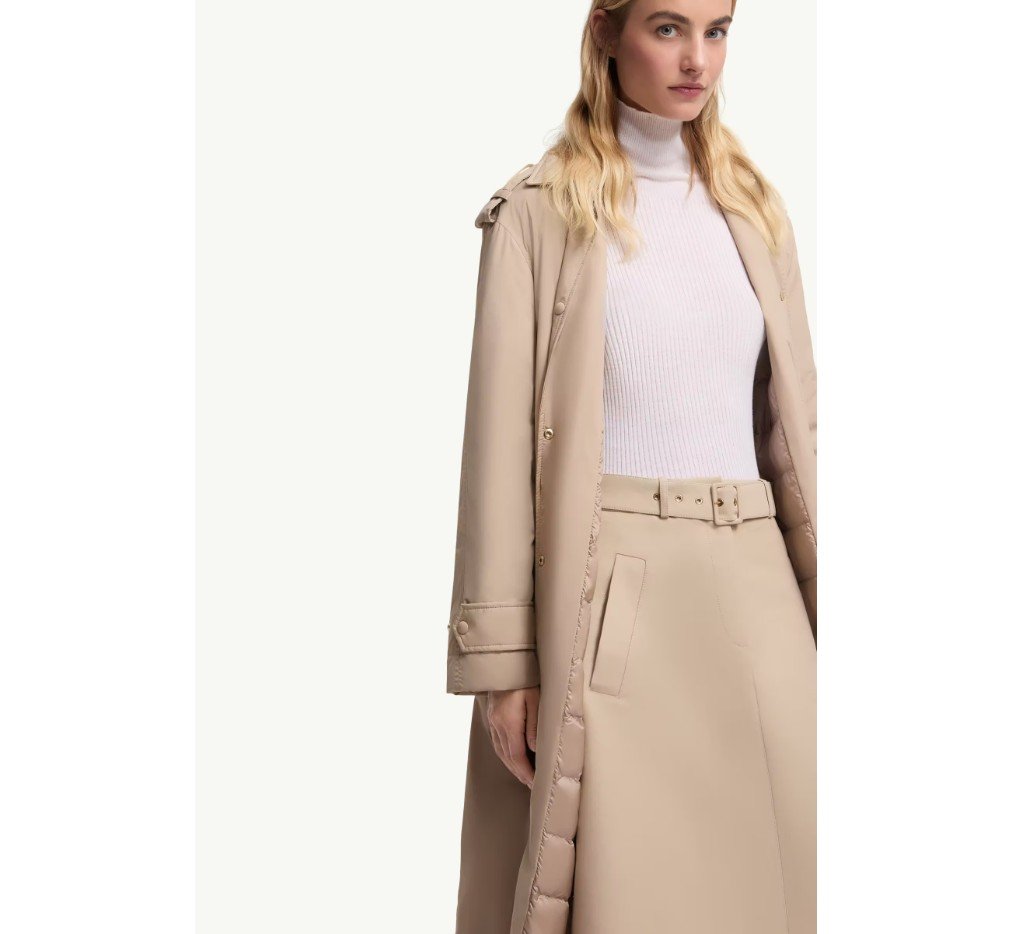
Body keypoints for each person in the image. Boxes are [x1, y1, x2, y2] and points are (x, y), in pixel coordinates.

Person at [445, 1, 816, 932]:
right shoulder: (540, 213)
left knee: (782, 881)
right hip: (618, 591)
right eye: (668, 28)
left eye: (717, 30)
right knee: (633, 896)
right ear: (607, 33)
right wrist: (505, 662)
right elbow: (497, 443)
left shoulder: (754, 210)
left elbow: (798, 433)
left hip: (759, 577)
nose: (698, 60)